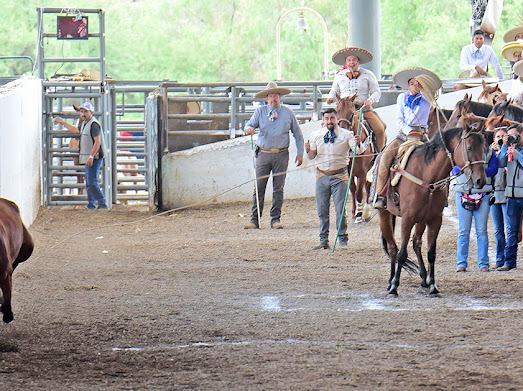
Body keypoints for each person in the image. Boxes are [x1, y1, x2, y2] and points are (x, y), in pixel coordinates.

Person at [373, 67, 442, 209]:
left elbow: (433, 99)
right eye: (412, 84)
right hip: (403, 135)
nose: (415, 87)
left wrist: (426, 89)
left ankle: (441, 195)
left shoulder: (427, 98)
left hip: (422, 135)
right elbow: (399, 119)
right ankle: (380, 194)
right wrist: (409, 130)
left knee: (439, 158)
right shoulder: (402, 97)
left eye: (418, 84)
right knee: (384, 157)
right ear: (408, 85)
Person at [305, 108, 368, 250]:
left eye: (332, 118)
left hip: (340, 176)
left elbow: (358, 151)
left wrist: (358, 143)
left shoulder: (347, 135)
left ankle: (342, 239)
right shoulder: (316, 135)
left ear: (337, 119)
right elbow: (311, 156)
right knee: (322, 210)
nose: (329, 121)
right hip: (321, 175)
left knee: (340, 209)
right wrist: (308, 149)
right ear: (323, 120)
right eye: (327, 118)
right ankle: (323, 240)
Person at [244, 82, 304, 229]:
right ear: (266, 98)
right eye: (270, 96)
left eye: (275, 96)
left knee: (278, 188)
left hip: (281, 154)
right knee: (259, 187)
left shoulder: (288, 113)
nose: (273, 99)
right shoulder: (259, 112)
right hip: (263, 154)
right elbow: (248, 125)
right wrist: (249, 129)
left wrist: (300, 153)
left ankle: (275, 218)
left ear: (280, 97)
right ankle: (255, 219)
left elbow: (298, 134)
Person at [326, 47, 387, 152]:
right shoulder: (339, 76)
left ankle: (379, 155)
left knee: (380, 129)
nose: (351, 63)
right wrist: (330, 98)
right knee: (329, 128)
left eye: (354, 60)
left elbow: (377, 92)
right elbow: (334, 90)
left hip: (363, 109)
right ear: (345, 62)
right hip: (344, 110)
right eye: (349, 60)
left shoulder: (368, 74)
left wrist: (369, 101)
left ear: (358, 61)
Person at [54, 101, 108, 210]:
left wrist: (91, 156)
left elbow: (97, 142)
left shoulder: (93, 124)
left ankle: (102, 203)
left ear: (91, 112)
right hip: (90, 155)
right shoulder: (84, 123)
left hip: (95, 156)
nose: (82, 114)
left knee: (92, 181)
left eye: (85, 112)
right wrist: (62, 122)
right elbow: (75, 130)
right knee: (89, 181)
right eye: (81, 112)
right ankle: (91, 204)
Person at [453, 146, 498, 272]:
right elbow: (454, 169)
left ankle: (483, 263)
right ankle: (461, 263)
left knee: (482, 230)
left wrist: (478, 173)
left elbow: (494, 168)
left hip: (483, 192)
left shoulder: (489, 152)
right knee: (463, 230)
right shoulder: (460, 150)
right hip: (463, 192)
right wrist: (469, 171)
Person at [495, 124, 523, 271]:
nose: (512, 138)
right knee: (511, 231)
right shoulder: (510, 150)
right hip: (511, 196)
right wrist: (504, 146)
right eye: (509, 135)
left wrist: (518, 154)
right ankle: (509, 262)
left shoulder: (518, 152)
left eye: (514, 135)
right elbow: (500, 163)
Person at [489, 129, 508, 270]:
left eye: (503, 136)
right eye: (498, 136)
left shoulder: (509, 150)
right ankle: (499, 259)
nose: (500, 138)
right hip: (494, 194)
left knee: (509, 227)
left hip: (507, 193)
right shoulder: (489, 152)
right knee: (498, 229)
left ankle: (509, 258)